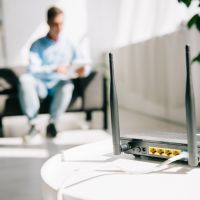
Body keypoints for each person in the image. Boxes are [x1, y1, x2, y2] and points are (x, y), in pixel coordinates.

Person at [19, 6, 90, 140]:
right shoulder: (37, 45)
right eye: (55, 24)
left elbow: (84, 64)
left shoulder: (70, 43)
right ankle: (34, 125)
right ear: (48, 23)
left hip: (59, 84)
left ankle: (52, 124)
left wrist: (83, 71)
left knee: (67, 85)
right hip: (40, 84)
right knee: (25, 79)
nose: (59, 28)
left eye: (61, 24)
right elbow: (33, 70)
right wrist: (54, 68)